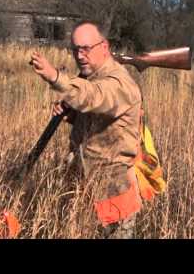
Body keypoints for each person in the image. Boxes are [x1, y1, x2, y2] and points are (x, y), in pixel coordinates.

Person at [30, 20, 143, 239]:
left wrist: (55, 77)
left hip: (113, 188)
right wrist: (74, 117)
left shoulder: (120, 82)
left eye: (86, 49)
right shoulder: (91, 77)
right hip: (84, 184)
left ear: (104, 47)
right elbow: (101, 117)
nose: (80, 56)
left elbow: (94, 96)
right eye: (75, 50)